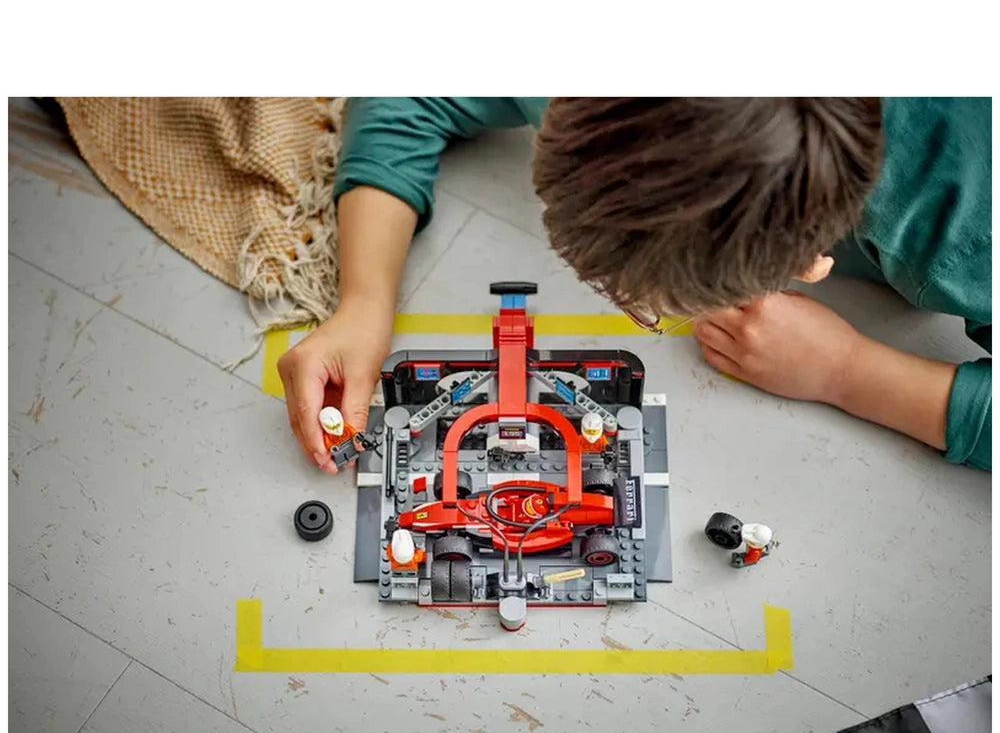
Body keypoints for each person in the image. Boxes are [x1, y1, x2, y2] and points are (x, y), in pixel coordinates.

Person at [277, 97, 991, 473]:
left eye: (647, 309)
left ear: (807, 265)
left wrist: (849, 371)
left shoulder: (967, 228)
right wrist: (364, 302)